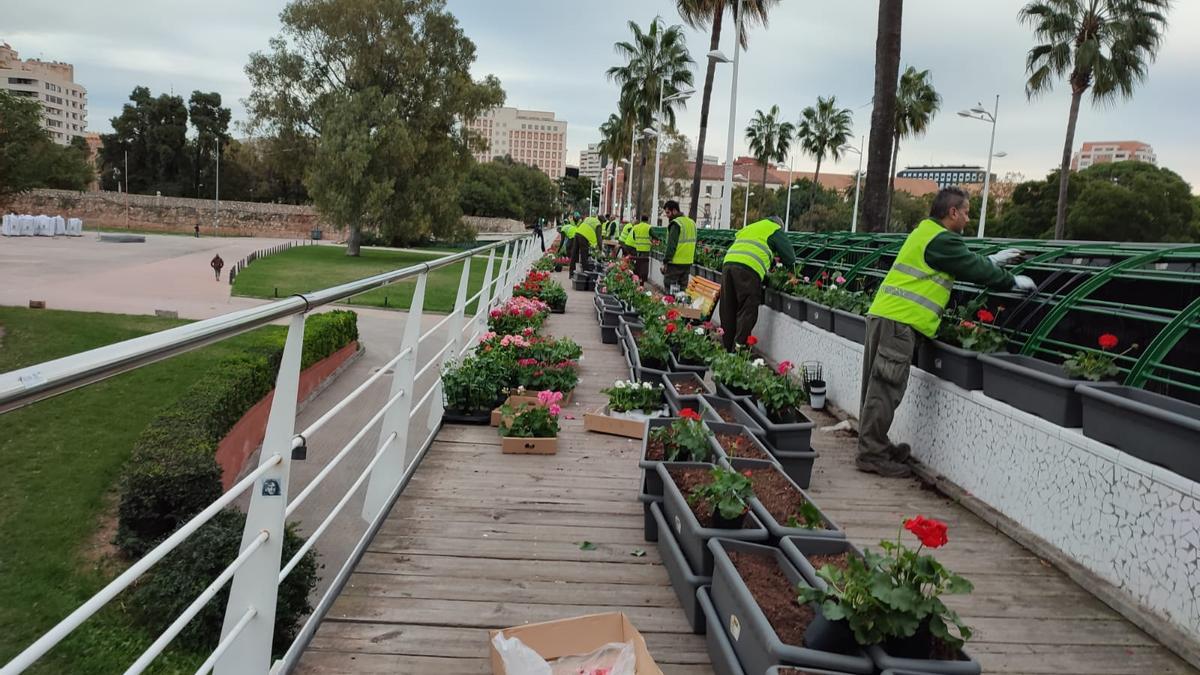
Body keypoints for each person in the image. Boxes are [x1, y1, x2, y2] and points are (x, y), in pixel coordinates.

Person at [856, 186, 1036, 477]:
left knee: (877, 385)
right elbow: (970, 267)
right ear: (952, 212)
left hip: (886, 317)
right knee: (886, 387)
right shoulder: (942, 239)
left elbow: (961, 261)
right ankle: (871, 453)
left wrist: (991, 260)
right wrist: (1011, 281)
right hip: (898, 324)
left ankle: (875, 444)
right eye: (965, 213)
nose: (967, 219)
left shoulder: (926, 233)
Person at [718, 216, 795, 351]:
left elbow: (753, 248)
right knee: (748, 309)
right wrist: (791, 276)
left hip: (728, 263)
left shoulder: (751, 227)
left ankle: (727, 347)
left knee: (728, 307)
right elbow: (790, 257)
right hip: (749, 269)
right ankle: (739, 349)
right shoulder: (775, 229)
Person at [659, 200, 696, 294]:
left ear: (674, 211)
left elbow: (671, 246)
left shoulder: (676, 224)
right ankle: (681, 308)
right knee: (682, 291)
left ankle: (670, 308)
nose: (667, 215)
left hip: (675, 263)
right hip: (687, 262)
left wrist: (665, 261)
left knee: (669, 289)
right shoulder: (691, 223)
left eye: (668, 212)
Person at [630, 215, 653, 280]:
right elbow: (654, 235)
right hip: (646, 249)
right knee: (645, 264)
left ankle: (637, 276)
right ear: (647, 220)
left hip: (638, 248)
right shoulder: (649, 227)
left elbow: (634, 237)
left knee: (638, 263)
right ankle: (644, 278)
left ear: (641, 219)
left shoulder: (636, 227)